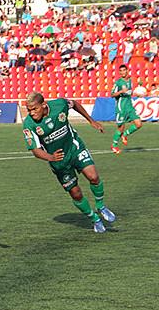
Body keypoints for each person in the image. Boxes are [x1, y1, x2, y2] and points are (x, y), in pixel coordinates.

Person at [22, 93, 115, 233]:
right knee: (76, 194)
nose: (31, 113)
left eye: (34, 109)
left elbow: (75, 104)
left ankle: (101, 206)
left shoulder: (60, 104)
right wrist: (50, 157)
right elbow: (35, 150)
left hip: (75, 148)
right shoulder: (29, 124)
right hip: (59, 162)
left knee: (94, 177)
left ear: (43, 105)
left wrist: (91, 121)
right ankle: (94, 218)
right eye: (29, 110)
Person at [111, 64, 143, 153]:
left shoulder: (130, 81)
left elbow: (129, 92)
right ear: (119, 72)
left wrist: (136, 94)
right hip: (121, 108)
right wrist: (121, 91)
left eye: (124, 70)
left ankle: (125, 135)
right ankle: (114, 145)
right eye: (120, 71)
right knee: (121, 128)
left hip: (130, 107)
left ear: (127, 71)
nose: (122, 72)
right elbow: (112, 94)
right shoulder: (118, 83)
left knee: (139, 124)